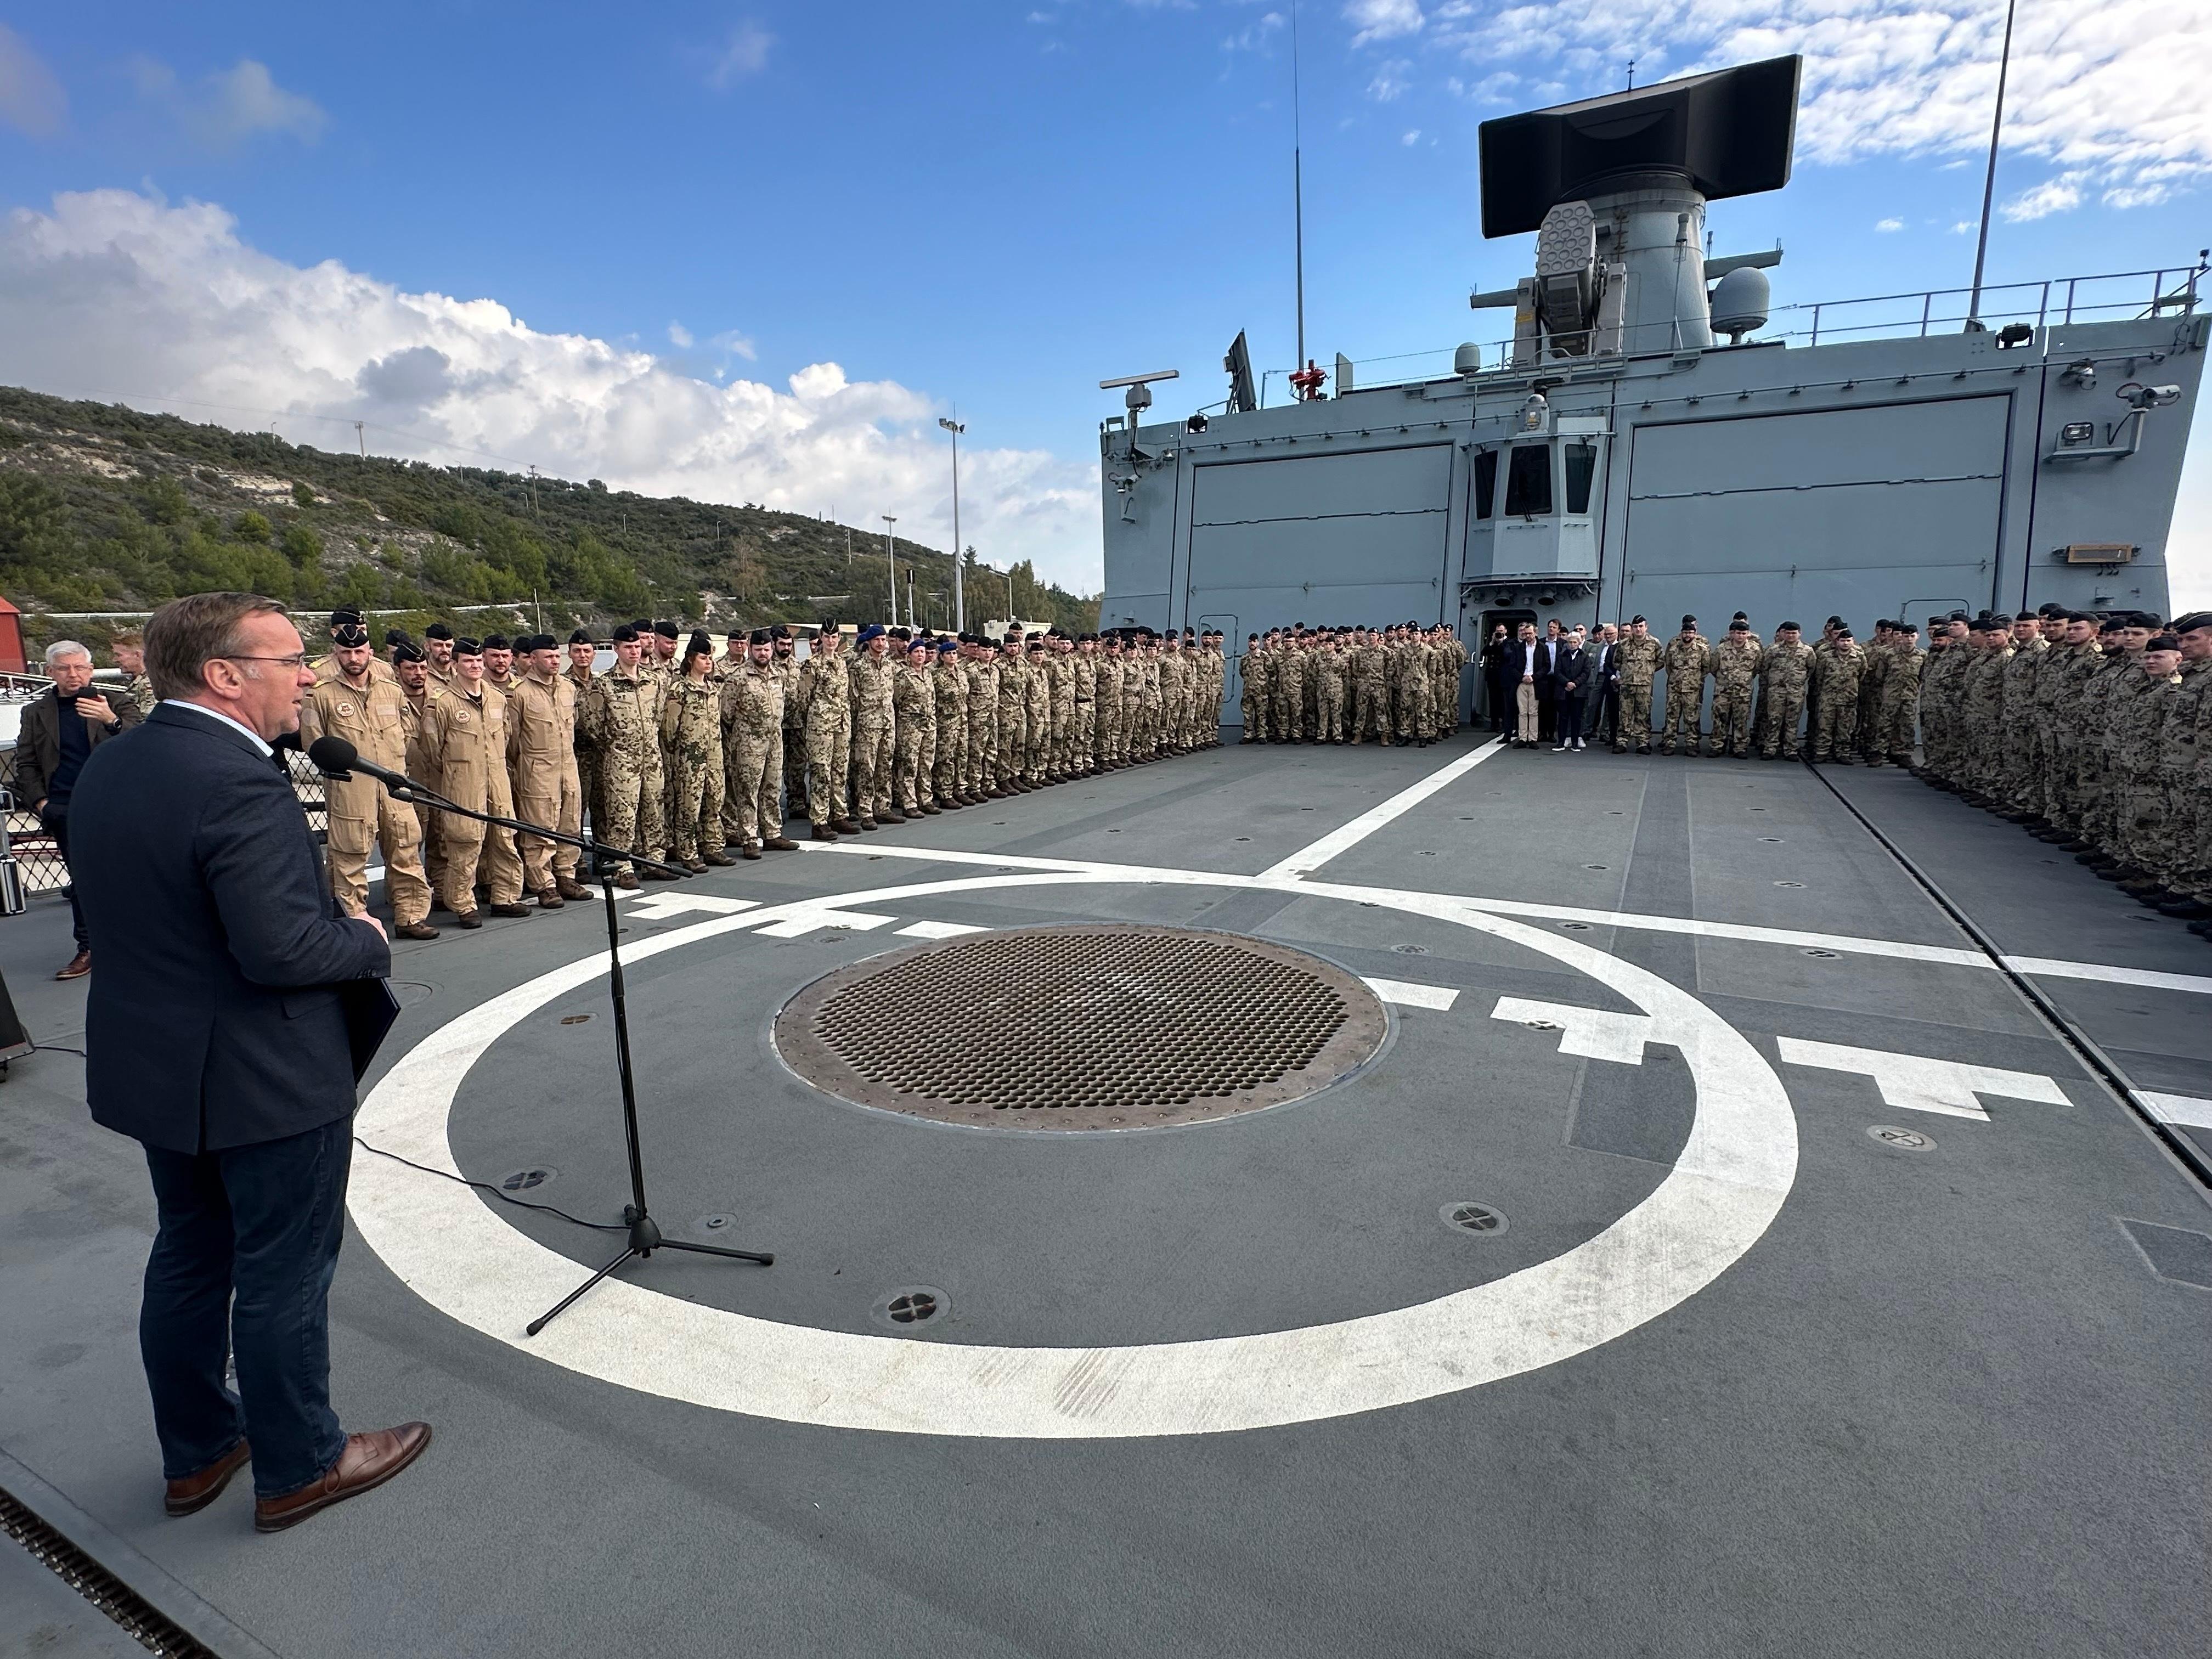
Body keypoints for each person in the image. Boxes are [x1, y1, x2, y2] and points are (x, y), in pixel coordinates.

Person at [68, 590, 429, 1533]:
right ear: (224, 674)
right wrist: (365, 936)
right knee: (283, 1269)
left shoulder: (119, 762)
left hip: (157, 1067)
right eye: (288, 658)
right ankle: (302, 1462)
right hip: (262, 1074)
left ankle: (198, 1451)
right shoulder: (238, 777)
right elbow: (283, 951)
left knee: (190, 1253)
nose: (306, 673)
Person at [297, 617, 437, 940]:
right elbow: (314, 743)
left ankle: (411, 916)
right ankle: (355, 919)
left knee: (405, 849)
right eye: (346, 653)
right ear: (336, 653)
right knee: (350, 856)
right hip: (351, 787)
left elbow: (408, 731)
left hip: (393, 783)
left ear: (370, 652)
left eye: (360, 651)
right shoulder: (321, 695)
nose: (354, 659)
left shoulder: (391, 691)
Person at [13, 639, 145, 978]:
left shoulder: (116, 701)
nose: (73, 675)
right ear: (50, 672)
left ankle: (144, 943)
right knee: (84, 881)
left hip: (117, 804)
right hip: (66, 807)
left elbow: (145, 746)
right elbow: (25, 763)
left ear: (90, 669)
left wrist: (112, 721)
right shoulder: (36, 712)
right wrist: (42, 803)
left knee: (134, 874)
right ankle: (89, 948)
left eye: (80, 667)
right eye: (65, 668)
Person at [419, 639, 530, 926]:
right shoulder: (441, 703)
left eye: (479, 661)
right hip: (462, 782)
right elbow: (432, 747)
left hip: (497, 778)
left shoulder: (496, 697)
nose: (476, 666)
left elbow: (505, 736)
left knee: (505, 838)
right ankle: (464, 904)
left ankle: (505, 897)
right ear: (455, 665)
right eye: (469, 661)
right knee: (465, 842)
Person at [1552, 628, 1589, 751]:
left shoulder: (1584, 656)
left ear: (1579, 643)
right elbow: (1558, 672)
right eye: (1570, 642)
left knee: (1576, 718)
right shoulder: (1561, 656)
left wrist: (1575, 683)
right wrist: (1567, 683)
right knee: (1563, 717)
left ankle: (1574, 743)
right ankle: (1561, 742)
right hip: (1564, 690)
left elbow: (1586, 672)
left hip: (1578, 691)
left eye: (1575, 642)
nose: (1572, 645)